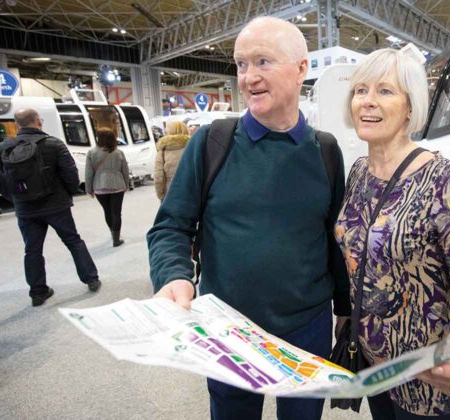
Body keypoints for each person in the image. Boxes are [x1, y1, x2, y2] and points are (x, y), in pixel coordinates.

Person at [147, 16, 349, 420]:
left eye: (263, 62)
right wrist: (173, 275)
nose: (248, 77)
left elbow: (333, 240)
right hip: (228, 329)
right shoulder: (212, 142)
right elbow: (171, 225)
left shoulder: (324, 151)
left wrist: (345, 307)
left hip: (305, 329)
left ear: (301, 69)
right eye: (241, 64)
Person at [334, 47, 450, 419]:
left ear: (411, 107)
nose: (367, 102)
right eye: (360, 90)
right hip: (374, 366)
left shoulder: (446, 181)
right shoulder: (359, 172)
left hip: (429, 377)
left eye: (385, 91)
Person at [0, 109, 101, 306]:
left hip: (26, 210)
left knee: (32, 250)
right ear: (38, 122)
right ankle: (91, 279)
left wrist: (16, 198)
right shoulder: (54, 144)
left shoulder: (2, 148)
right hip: (56, 204)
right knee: (73, 241)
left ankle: (38, 293)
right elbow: (71, 175)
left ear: (17, 125)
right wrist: (66, 194)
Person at [85, 127, 130, 247]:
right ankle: (116, 238)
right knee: (116, 213)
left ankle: (112, 232)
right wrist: (127, 184)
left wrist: (89, 189)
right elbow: (125, 170)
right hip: (117, 186)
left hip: (99, 187)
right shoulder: (118, 153)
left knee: (107, 211)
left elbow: (89, 173)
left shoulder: (91, 153)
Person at [154, 121, 190, 201]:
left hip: (170, 192)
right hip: (191, 191)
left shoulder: (163, 151)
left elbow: (158, 177)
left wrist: (161, 195)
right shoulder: (193, 147)